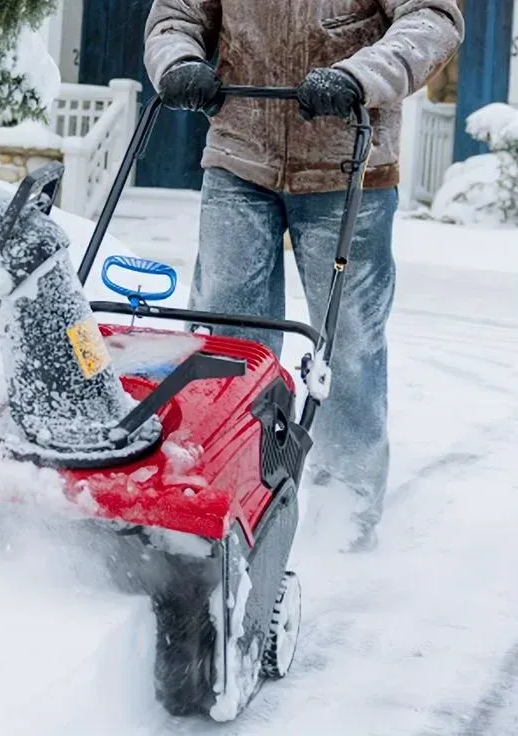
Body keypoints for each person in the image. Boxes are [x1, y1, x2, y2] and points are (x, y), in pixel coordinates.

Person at [144, 0, 464, 552]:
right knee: (228, 340)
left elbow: (433, 19)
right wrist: (178, 61)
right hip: (239, 157)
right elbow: (177, 14)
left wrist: (357, 75)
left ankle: (345, 521)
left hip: (347, 162)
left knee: (350, 348)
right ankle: (232, 490)